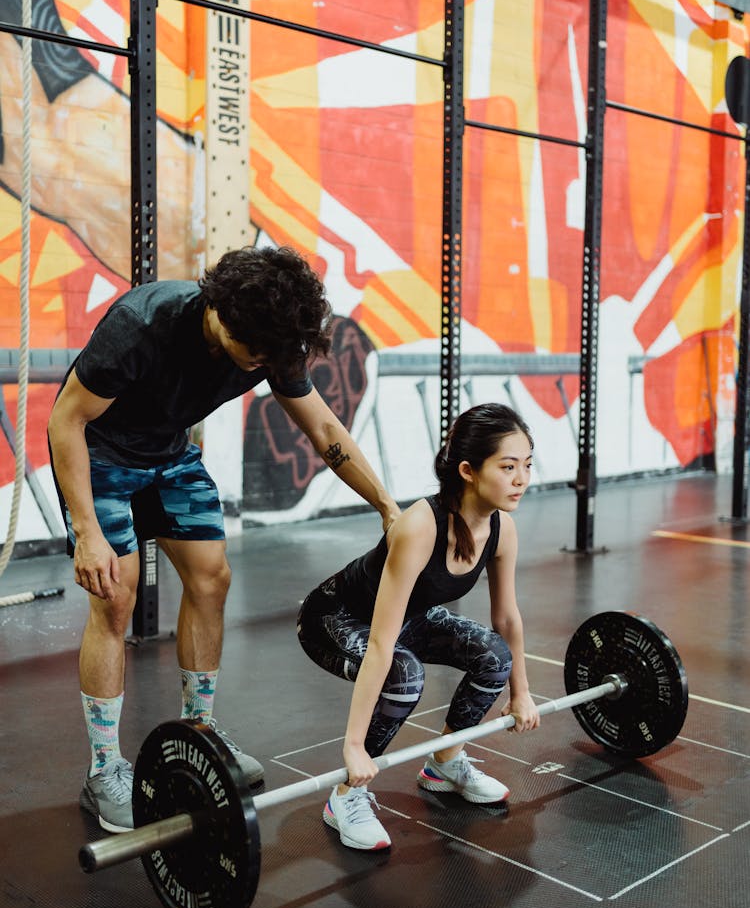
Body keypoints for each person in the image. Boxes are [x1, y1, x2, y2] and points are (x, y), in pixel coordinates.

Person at [47, 245, 400, 833]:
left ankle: (199, 735)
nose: (261, 366)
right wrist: (87, 532)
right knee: (116, 592)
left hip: (168, 454)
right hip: (100, 454)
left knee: (213, 579)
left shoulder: (270, 343)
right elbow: (67, 419)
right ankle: (104, 769)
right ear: (222, 315)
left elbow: (323, 428)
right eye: (255, 353)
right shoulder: (142, 325)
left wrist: (387, 505)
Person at [297, 402, 540, 852]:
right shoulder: (420, 527)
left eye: (527, 465)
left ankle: (445, 762)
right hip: (334, 618)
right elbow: (381, 644)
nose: (522, 478)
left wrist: (520, 692)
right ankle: (348, 794)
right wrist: (353, 747)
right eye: (508, 467)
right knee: (404, 674)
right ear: (468, 470)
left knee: (494, 657)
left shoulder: (502, 528)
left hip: (408, 616)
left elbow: (506, 618)